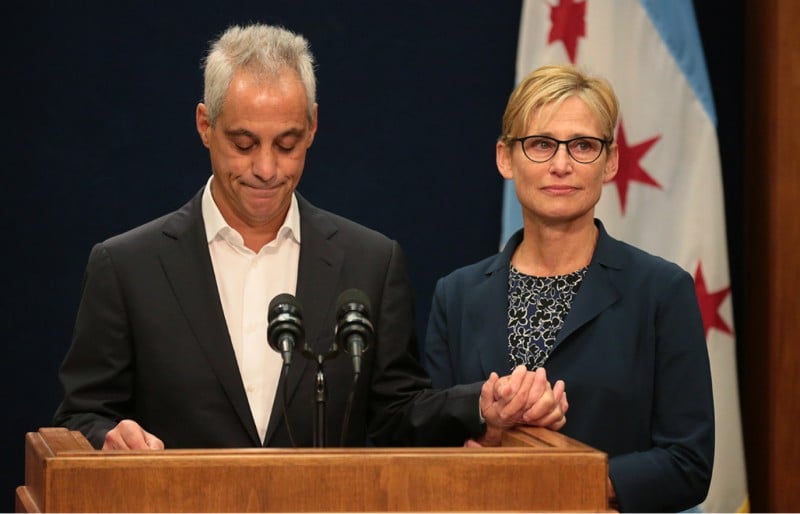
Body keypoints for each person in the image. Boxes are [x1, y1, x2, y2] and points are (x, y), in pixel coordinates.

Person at [52, 23, 567, 452]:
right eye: (244, 143)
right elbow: (82, 413)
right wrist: (106, 437)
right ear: (205, 125)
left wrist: (477, 404)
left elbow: (395, 415)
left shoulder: (371, 262)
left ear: (313, 127)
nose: (266, 168)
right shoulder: (127, 266)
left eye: (288, 143)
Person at [422, 64, 714, 512]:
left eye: (582, 145)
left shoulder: (661, 290)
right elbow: (426, 445)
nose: (562, 165)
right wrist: (483, 445)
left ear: (610, 161)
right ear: (505, 158)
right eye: (541, 144)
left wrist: (568, 481)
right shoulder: (456, 295)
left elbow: (688, 461)